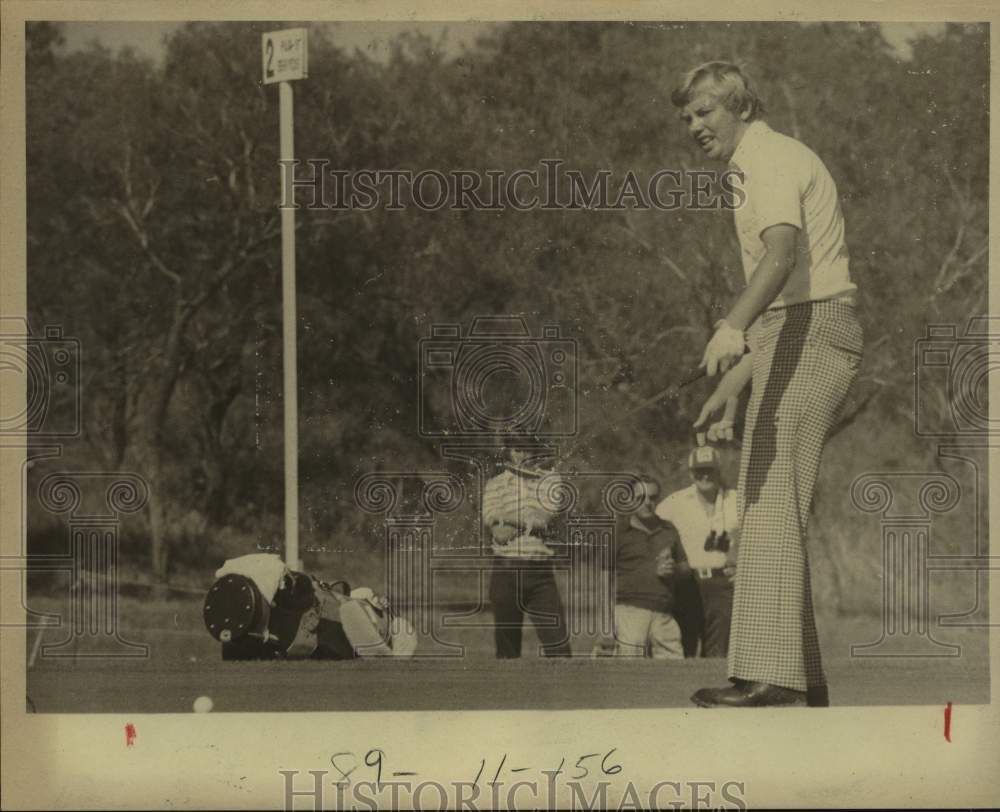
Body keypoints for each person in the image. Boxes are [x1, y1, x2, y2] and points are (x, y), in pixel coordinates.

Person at [673, 61, 863, 707]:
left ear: (740, 105)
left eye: (705, 111)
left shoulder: (770, 158)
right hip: (793, 333)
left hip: (812, 330)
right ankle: (798, 678)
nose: (694, 126)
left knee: (771, 497)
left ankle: (774, 677)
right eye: (688, 117)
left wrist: (731, 326)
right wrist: (733, 382)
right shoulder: (751, 165)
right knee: (763, 497)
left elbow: (783, 258)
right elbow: (787, 310)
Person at [482, 445, 572, 657]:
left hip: (540, 572)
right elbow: (499, 534)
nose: (522, 455)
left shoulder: (550, 480)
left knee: (558, 646)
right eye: (517, 449)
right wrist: (529, 517)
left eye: (527, 449)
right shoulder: (495, 484)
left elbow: (544, 520)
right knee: (507, 650)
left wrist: (506, 517)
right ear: (509, 452)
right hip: (506, 570)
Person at [655, 447, 739, 658]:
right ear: (691, 473)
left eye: (710, 470)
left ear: (719, 471)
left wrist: (743, 561)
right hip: (687, 581)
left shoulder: (737, 500)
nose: (705, 476)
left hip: (723, 583)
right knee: (685, 647)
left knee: (719, 652)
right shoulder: (676, 502)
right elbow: (654, 531)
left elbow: (758, 535)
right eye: (699, 470)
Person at [610, 475, 687, 659]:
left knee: (674, 669)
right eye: (640, 498)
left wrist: (673, 569)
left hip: (664, 612)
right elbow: (603, 577)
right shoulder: (618, 532)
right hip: (630, 611)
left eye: (652, 497)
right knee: (631, 671)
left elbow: (686, 569)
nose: (647, 503)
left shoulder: (669, 530)